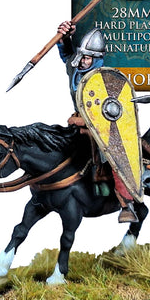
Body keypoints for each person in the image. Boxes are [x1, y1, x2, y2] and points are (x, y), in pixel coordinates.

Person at [57, 21, 139, 223]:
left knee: (114, 157)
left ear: (96, 59)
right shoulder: (75, 68)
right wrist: (64, 36)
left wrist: (80, 122)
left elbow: (110, 114)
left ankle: (126, 204)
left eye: (86, 58)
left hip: (103, 127)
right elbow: (67, 55)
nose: (81, 61)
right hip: (77, 121)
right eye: (81, 56)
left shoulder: (105, 80)